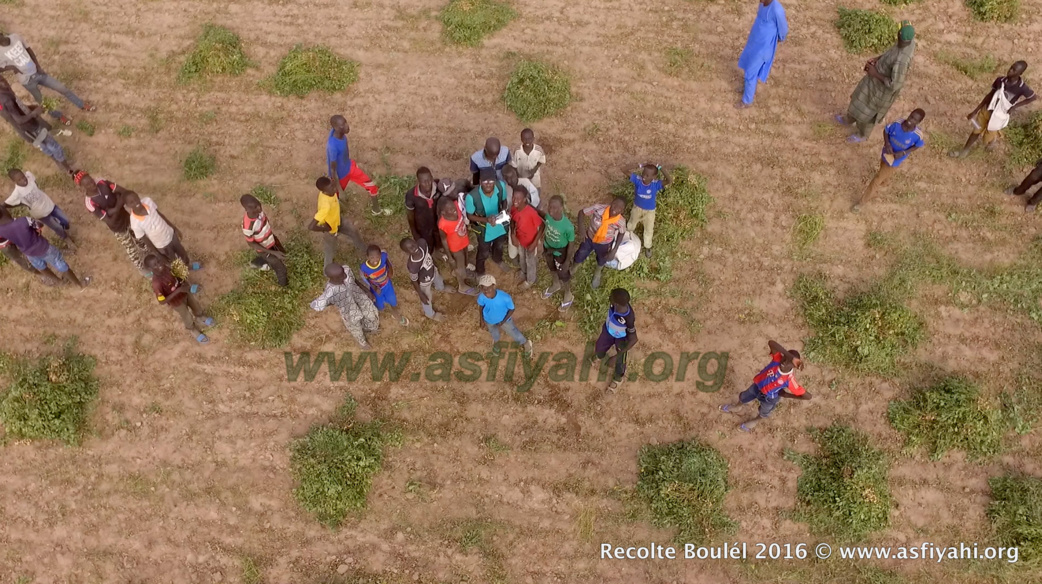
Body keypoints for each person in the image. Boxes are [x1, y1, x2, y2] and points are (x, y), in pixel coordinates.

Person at [836, 21, 916, 143]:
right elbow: (890, 53)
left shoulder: (902, 60)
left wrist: (875, 74)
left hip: (880, 92)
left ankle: (862, 135)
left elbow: (895, 84)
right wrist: (878, 59)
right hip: (873, 81)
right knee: (858, 98)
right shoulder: (905, 42)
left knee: (868, 114)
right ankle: (849, 119)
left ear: (899, 35)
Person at [0, 32, 95, 125]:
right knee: (43, 102)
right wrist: (12, 67)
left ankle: (81, 104)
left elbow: (29, 50)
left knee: (61, 88)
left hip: (38, 73)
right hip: (27, 81)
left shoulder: (16, 37)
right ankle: (58, 116)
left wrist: (38, 66)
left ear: (1, 34)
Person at [949, 61, 1037, 159]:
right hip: (986, 111)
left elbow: (1033, 97)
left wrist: (1014, 107)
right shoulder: (1000, 80)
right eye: (1011, 67)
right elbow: (989, 95)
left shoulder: (1021, 88)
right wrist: (975, 111)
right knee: (975, 131)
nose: (1010, 70)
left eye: (1014, 70)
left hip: (997, 118)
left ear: (1020, 73)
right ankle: (964, 151)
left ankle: (992, 139)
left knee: (986, 139)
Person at [720, 340, 811, 432]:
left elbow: (808, 397)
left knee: (764, 412)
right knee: (744, 396)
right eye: (785, 358)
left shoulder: (790, 380)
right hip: (757, 387)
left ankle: (755, 421)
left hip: (770, 398)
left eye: (789, 362)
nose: (785, 362)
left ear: (794, 366)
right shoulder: (777, 359)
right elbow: (771, 343)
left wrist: (786, 395)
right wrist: (791, 357)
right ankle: (737, 407)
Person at [75, 171, 149, 276]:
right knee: (130, 248)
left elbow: (124, 192)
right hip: (117, 227)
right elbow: (110, 221)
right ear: (82, 187)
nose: (92, 184)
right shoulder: (90, 203)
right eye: (88, 184)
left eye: (91, 180)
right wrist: (118, 204)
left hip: (126, 217)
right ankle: (141, 268)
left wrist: (113, 210)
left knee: (139, 237)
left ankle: (148, 255)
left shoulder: (101, 182)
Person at [853, 108, 925, 212]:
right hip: (886, 153)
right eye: (911, 116)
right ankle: (885, 181)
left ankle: (861, 203)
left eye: (915, 119)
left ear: (918, 122)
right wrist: (887, 144)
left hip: (895, 161)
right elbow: (886, 131)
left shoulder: (917, 135)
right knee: (882, 167)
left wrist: (904, 152)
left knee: (877, 180)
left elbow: (917, 146)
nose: (911, 120)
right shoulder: (897, 123)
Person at [0, 207, 89, 287]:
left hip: (29, 254)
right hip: (44, 248)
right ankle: (79, 285)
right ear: (5, 211)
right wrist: (37, 230)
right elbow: (39, 224)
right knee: (59, 263)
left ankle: (60, 283)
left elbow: (7, 243)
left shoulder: (1, 231)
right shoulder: (23, 220)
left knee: (42, 268)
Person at [0, 76, 70, 172]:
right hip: (31, 127)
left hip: (25, 129)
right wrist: (34, 113)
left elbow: (14, 110)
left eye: (3, 79)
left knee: (43, 146)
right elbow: (18, 120)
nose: (5, 82)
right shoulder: (6, 99)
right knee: (53, 146)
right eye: (1, 81)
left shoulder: (5, 94)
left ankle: (58, 162)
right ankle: (67, 167)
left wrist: (31, 108)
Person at [327, 115, 390, 216]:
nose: (347, 126)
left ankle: (376, 210)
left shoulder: (339, 133)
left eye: (346, 122)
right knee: (334, 198)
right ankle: (333, 217)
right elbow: (332, 169)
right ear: (336, 128)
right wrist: (338, 187)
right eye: (343, 125)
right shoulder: (332, 146)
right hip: (340, 176)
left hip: (350, 167)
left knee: (371, 186)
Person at [145, 254, 213, 344]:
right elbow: (162, 301)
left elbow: (176, 275)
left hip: (185, 292)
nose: (159, 265)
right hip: (177, 302)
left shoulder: (166, 268)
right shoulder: (156, 284)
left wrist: (184, 283)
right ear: (150, 269)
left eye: (158, 261)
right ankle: (192, 329)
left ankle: (200, 317)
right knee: (186, 316)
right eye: (155, 265)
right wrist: (178, 290)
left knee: (195, 304)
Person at [310, 263, 380, 349]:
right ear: (333, 278)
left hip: (360, 298)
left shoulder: (346, 269)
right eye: (342, 275)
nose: (345, 275)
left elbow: (355, 281)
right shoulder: (330, 291)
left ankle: (371, 328)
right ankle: (362, 343)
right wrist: (335, 302)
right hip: (349, 310)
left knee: (371, 314)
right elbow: (318, 304)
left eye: (343, 272)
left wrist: (367, 291)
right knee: (355, 327)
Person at [125, 192, 200, 270]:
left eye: (136, 198)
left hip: (171, 235)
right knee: (173, 261)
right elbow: (145, 240)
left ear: (138, 196)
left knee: (182, 252)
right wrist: (157, 253)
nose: (136, 202)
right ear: (128, 205)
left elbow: (160, 215)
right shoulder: (135, 223)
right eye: (131, 202)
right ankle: (182, 273)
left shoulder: (148, 201)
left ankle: (188, 265)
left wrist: (175, 228)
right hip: (162, 245)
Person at [736, 0, 788, 109]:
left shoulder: (776, 9)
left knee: (751, 71)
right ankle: (747, 88)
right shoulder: (762, 4)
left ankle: (747, 101)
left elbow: (783, 29)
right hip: (754, 41)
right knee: (748, 64)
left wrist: (779, 38)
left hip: (763, 47)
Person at [587, 288, 638, 393]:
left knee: (620, 361)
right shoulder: (613, 305)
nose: (609, 297)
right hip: (608, 331)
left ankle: (618, 379)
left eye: (611, 297)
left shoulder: (629, 317)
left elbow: (634, 339)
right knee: (600, 345)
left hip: (621, 338)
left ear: (616, 303)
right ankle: (599, 355)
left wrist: (616, 357)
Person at [570, 197, 627, 289]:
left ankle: (598, 272)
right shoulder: (598, 208)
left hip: (605, 243)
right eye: (614, 204)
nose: (615, 208)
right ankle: (574, 267)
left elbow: (622, 232)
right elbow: (581, 212)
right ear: (611, 203)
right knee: (581, 253)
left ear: (622, 211)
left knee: (602, 258)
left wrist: (614, 249)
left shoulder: (621, 222)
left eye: (619, 208)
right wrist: (581, 229)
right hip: (589, 238)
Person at [309, 176, 366, 267]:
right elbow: (311, 226)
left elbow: (331, 181)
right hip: (331, 229)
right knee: (330, 251)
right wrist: (325, 228)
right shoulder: (325, 206)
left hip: (338, 219)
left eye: (333, 185)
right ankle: (327, 269)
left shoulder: (329, 191)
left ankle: (364, 249)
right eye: (331, 188)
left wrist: (333, 182)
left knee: (353, 231)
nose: (335, 189)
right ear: (325, 191)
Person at [6, 168, 73, 243]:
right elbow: (6, 204)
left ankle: (65, 227)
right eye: (19, 180)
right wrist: (22, 203)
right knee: (57, 227)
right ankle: (65, 237)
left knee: (65, 220)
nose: (23, 180)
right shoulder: (17, 193)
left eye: (23, 176)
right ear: (14, 182)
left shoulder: (29, 175)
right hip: (41, 214)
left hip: (49, 204)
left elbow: (35, 183)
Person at [466, 168, 511, 275]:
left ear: (495, 181)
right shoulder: (472, 197)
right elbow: (469, 216)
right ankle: (480, 271)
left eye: (491, 181)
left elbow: (504, 200)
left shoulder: (501, 186)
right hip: (484, 229)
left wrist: (504, 212)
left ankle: (497, 259)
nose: (488, 184)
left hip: (500, 226)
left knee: (499, 245)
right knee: (483, 252)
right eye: (485, 181)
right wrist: (486, 220)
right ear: (480, 182)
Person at [400, 237, 455, 321]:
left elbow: (428, 255)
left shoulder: (422, 243)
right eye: (410, 248)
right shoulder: (412, 266)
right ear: (407, 252)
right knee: (427, 299)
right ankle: (430, 314)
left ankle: (441, 288)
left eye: (413, 244)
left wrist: (434, 264)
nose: (414, 248)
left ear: (415, 241)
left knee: (439, 280)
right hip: (425, 282)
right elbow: (414, 280)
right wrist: (421, 294)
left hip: (433, 270)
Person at [476, 274, 533, 355]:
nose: (486, 291)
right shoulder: (482, 296)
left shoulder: (505, 297)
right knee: (493, 331)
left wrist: (503, 321)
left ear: (494, 286)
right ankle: (496, 342)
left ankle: (525, 343)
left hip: (504, 320)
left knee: (512, 331)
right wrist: (481, 320)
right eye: (483, 288)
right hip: (489, 320)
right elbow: (481, 307)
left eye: (488, 287)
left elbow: (512, 309)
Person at [406, 167, 456, 256]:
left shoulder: (438, 187)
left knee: (439, 239)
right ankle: (430, 255)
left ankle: (440, 250)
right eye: (423, 181)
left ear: (432, 177)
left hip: (438, 223)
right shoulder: (411, 195)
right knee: (428, 244)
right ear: (418, 181)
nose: (427, 183)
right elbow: (410, 215)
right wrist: (414, 232)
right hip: (423, 226)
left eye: (429, 180)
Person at [240, 194, 288, 287]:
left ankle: (258, 262)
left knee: (282, 252)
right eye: (255, 207)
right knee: (281, 269)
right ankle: (284, 287)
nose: (259, 208)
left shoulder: (259, 212)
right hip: (264, 249)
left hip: (271, 239)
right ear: (247, 209)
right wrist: (272, 252)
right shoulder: (248, 226)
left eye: (258, 204)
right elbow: (251, 243)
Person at [627, 163, 672, 258]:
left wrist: (660, 167)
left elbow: (669, 180)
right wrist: (639, 165)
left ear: (654, 177)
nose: (644, 176)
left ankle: (648, 246)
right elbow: (623, 170)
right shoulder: (638, 180)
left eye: (647, 175)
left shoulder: (655, 184)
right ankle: (627, 237)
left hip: (649, 212)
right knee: (631, 223)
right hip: (637, 208)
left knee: (649, 229)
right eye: (643, 173)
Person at [540, 195, 576, 311]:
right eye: (550, 206)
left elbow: (571, 245)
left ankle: (568, 294)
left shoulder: (568, 227)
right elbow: (542, 217)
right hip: (548, 248)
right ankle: (556, 284)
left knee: (563, 274)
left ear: (561, 208)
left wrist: (567, 261)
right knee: (551, 268)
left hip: (560, 253)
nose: (551, 209)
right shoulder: (548, 217)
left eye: (554, 207)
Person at [359, 244, 409, 327]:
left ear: (380, 255)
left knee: (392, 300)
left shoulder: (383, 257)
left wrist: (390, 270)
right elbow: (366, 278)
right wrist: (374, 287)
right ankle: (377, 314)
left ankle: (395, 313)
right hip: (376, 288)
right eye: (372, 257)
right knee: (379, 305)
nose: (375, 260)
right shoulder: (364, 268)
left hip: (386, 284)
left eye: (377, 257)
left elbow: (387, 261)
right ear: (367, 257)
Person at [438, 196, 477, 295]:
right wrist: (450, 257)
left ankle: (464, 270)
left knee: (465, 258)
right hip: (455, 248)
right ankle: (462, 285)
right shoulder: (443, 224)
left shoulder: (456, 206)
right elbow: (444, 241)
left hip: (463, 241)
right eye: (450, 210)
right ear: (443, 213)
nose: (454, 210)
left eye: (453, 207)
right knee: (459, 266)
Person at [510, 186, 544, 288]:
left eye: (518, 198)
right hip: (520, 240)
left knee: (530, 261)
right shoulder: (513, 208)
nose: (515, 200)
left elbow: (542, 226)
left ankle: (530, 280)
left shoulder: (531, 213)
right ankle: (524, 272)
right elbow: (513, 220)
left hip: (530, 242)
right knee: (522, 257)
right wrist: (513, 234)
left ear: (525, 199)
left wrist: (535, 243)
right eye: (514, 197)